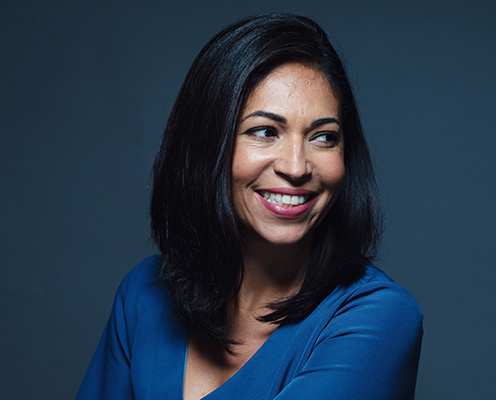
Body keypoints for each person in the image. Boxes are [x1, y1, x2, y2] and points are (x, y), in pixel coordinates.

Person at [76, 13, 423, 400]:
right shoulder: (144, 293)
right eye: (265, 132)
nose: (295, 167)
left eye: (324, 137)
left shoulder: (380, 319)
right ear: (208, 146)